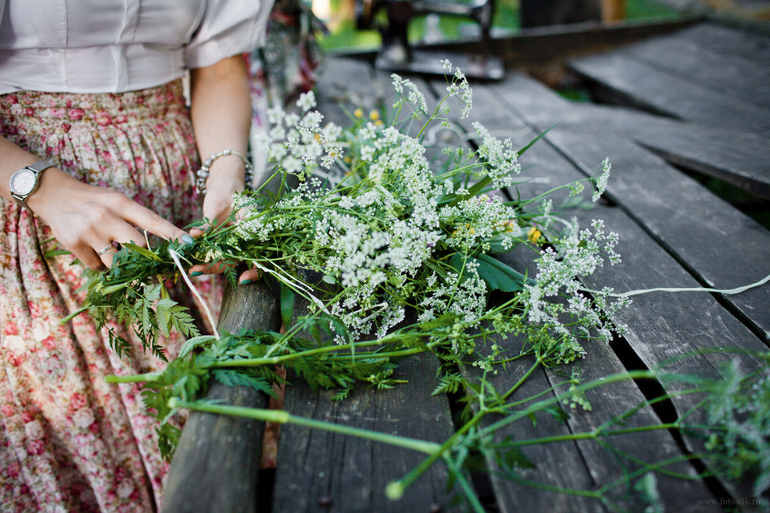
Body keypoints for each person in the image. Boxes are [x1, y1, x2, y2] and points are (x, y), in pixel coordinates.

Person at [0, 1, 270, 511]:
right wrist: (38, 186)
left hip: (177, 198)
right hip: (36, 212)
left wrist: (226, 180)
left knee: (215, 438)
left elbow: (218, 63)